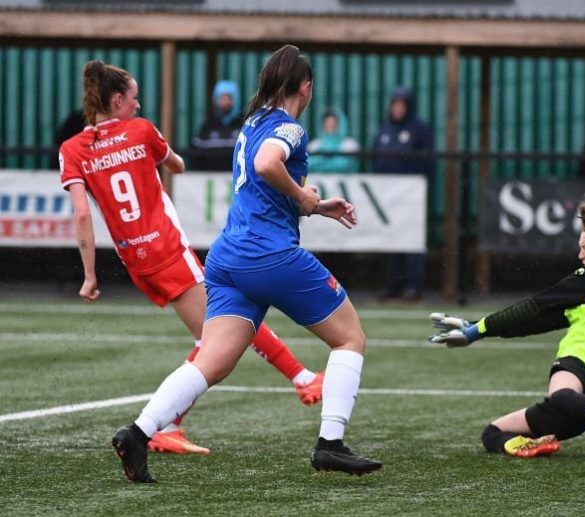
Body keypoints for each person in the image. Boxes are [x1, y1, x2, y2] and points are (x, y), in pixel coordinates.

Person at [111, 45, 382, 483]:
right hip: (268, 254)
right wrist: (302, 196)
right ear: (306, 88)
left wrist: (313, 207)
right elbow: (266, 164)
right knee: (350, 339)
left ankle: (139, 432)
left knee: (211, 363)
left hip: (227, 257)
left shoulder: (252, 122)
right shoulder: (289, 127)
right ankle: (331, 445)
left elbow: (260, 180)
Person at [59, 60, 324, 456]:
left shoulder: (72, 149)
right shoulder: (141, 131)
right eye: (133, 97)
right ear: (116, 100)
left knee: (212, 336)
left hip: (136, 262)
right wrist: (146, 155)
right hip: (167, 249)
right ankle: (301, 377)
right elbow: (177, 165)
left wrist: (89, 276)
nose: (138, 104)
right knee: (224, 332)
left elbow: (82, 213)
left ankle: (171, 424)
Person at [428, 191, 585, 459]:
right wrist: (475, 327)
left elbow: (532, 307)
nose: (580, 256)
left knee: (560, 397)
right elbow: (537, 322)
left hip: (580, 363)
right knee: (493, 434)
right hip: (583, 404)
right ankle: (533, 445)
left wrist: (475, 332)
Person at [372, 86, 434, 301]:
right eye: (395, 104)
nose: (397, 108)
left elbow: (428, 160)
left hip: (411, 197)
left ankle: (413, 286)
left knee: (413, 243)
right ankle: (393, 286)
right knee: (393, 241)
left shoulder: (419, 128)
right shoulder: (386, 128)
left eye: (402, 104)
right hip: (389, 196)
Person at [190, 80, 243, 171]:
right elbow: (196, 155)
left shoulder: (243, 125)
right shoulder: (208, 126)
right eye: (221, 98)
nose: (225, 102)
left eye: (228, 98)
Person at [306, 108, 359, 173]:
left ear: (340, 124)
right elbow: (308, 164)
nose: (330, 125)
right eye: (327, 122)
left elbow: (346, 165)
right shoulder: (315, 144)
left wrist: (320, 160)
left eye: (334, 122)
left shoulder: (350, 144)